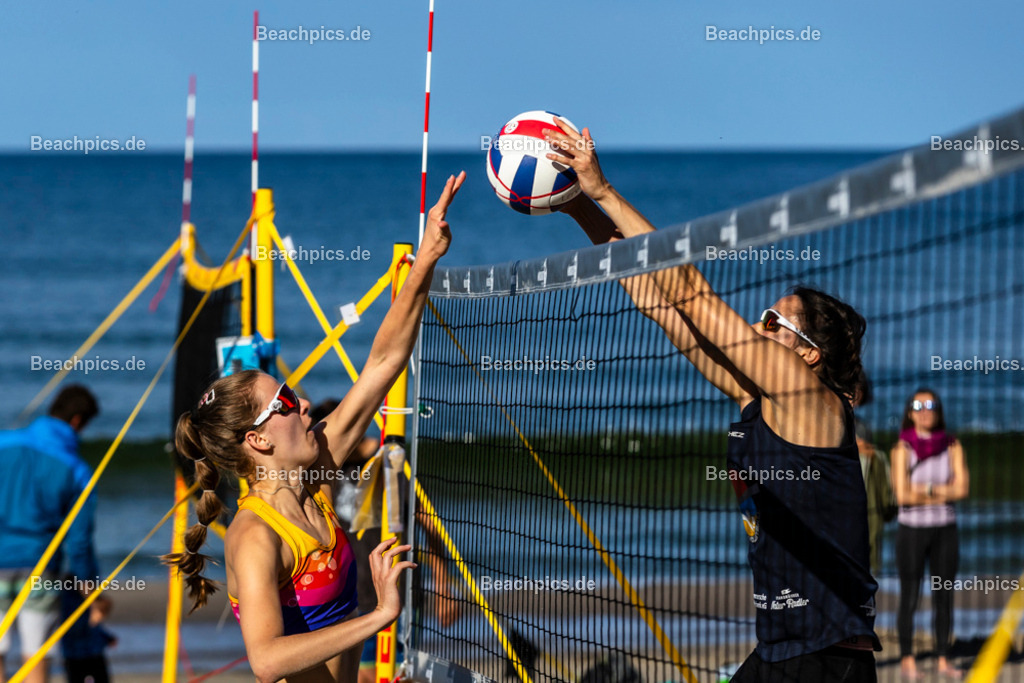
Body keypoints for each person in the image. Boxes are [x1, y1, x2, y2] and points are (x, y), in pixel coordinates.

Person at [546, 120, 879, 681]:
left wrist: (605, 191)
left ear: (810, 354)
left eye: (773, 322)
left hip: (826, 657)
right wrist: (578, 206)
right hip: (782, 648)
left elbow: (693, 293)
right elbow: (663, 307)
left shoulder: (810, 398)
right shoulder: (762, 398)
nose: (758, 323)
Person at [162, 171, 465, 683]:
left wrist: (427, 260)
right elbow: (266, 661)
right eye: (283, 402)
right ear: (257, 440)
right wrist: (378, 616)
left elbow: (383, 363)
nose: (302, 402)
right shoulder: (256, 536)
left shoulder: (315, 477)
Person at [0, 385, 111, 683]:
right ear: (77, 421)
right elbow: (79, 543)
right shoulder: (76, 469)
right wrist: (92, 592)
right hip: (39, 567)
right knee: (36, 654)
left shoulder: (3, 443)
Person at [890, 389, 968, 680]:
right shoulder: (902, 449)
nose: (925, 410)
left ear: (939, 410)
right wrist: (940, 493)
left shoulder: (952, 445)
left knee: (943, 597)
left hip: (945, 531)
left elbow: (962, 490)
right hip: (911, 532)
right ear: (910, 412)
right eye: (918, 405)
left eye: (930, 405)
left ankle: (942, 659)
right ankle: (908, 660)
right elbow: (902, 496)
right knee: (909, 597)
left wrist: (924, 491)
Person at [854, 419, 896, 575]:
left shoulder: (872, 457)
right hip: (871, 512)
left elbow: (886, 486)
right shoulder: (878, 456)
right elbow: (887, 487)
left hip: (868, 511)